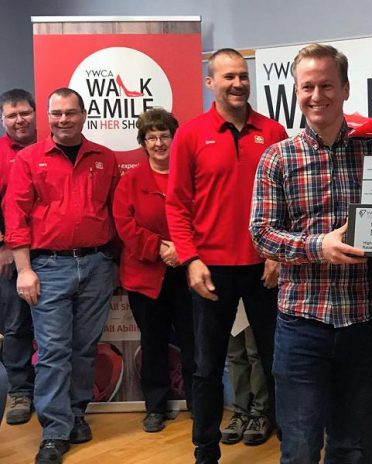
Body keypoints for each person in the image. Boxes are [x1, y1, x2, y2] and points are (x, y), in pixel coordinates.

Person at [250, 43, 372, 464]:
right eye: (307, 86)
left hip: (363, 322)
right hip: (301, 327)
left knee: (351, 446)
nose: (317, 96)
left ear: (345, 89)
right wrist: (318, 247)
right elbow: (261, 235)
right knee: (299, 447)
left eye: (326, 85)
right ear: (296, 91)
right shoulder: (278, 158)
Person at [166, 48, 288, 463]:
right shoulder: (190, 134)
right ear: (210, 83)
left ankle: (292, 445)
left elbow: (288, 203)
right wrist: (190, 259)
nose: (237, 83)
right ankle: (205, 451)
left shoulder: (273, 132)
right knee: (206, 367)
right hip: (211, 272)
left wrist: (279, 254)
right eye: (228, 76)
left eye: (243, 75)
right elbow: (177, 204)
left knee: (278, 362)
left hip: (265, 269)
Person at [4, 87, 119, 464]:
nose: (63, 120)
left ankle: (76, 414)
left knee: (84, 348)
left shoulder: (105, 158)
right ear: (47, 117)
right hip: (48, 267)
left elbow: (115, 212)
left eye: (70, 113)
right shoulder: (29, 160)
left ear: (83, 115)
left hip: (97, 265)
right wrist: (24, 270)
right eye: (56, 114)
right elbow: (16, 217)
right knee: (53, 352)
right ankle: (54, 431)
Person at [112, 108, 195, 433]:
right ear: (143, 143)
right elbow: (124, 225)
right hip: (146, 275)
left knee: (193, 344)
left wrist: (182, 249)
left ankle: (199, 405)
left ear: (175, 139)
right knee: (154, 342)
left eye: (165, 136)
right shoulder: (130, 181)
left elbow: (203, 217)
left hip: (189, 271)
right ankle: (155, 407)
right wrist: (160, 247)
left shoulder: (190, 175)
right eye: (152, 137)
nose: (159, 142)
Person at [0, 88, 37, 426]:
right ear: (3, 119)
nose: (19, 120)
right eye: (12, 115)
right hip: (11, 256)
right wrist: (4, 245)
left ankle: (53, 391)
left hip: (50, 252)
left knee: (56, 327)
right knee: (16, 325)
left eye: (24, 113)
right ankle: (21, 391)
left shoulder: (49, 149)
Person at [222, 325, 271, 446]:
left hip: (258, 306)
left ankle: (259, 413)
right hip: (229, 306)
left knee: (255, 352)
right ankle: (240, 412)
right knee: (234, 354)